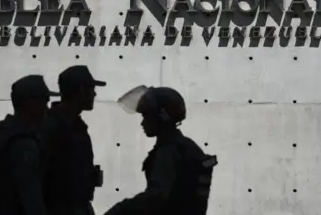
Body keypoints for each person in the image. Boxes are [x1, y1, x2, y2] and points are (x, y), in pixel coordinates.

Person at [104, 86, 218, 215]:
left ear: (162, 117)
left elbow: (155, 197)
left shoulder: (169, 152)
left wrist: (121, 210)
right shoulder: (187, 146)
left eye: (146, 116)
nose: (142, 123)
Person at [0, 75, 59, 215]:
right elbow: (32, 202)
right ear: (32, 104)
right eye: (44, 103)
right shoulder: (24, 144)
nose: (47, 110)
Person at [41, 65, 106, 215]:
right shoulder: (53, 127)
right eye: (91, 89)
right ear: (82, 91)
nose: (95, 94)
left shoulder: (74, 125)